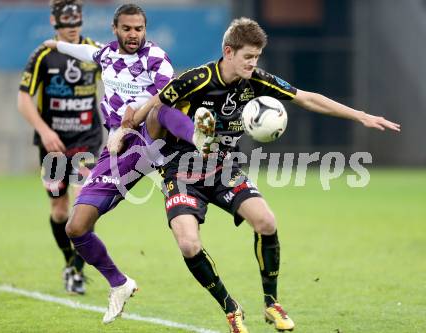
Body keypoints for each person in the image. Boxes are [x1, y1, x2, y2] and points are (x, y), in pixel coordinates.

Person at [125, 17, 401, 333]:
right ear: (228, 52)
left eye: (257, 57)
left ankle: (272, 304)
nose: (253, 64)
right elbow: (158, 107)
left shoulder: (255, 80)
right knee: (188, 244)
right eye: (248, 57)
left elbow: (307, 98)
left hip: (222, 168)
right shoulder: (196, 80)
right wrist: (130, 130)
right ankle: (230, 307)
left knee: (266, 221)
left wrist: (359, 115)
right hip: (181, 172)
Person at [43, 3, 214, 324]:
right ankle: (119, 284)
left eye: (138, 28)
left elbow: (166, 94)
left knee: (157, 110)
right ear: (115, 29)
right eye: (127, 29)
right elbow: (84, 52)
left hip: (153, 138)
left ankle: (201, 139)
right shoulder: (106, 54)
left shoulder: (155, 57)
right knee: (76, 227)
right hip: (120, 150)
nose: (133, 34)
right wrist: (55, 45)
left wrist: (125, 126)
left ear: (145, 29)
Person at [17, 0, 104, 295]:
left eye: (76, 23)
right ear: (55, 23)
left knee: (83, 201)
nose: (72, 29)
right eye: (66, 24)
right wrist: (44, 130)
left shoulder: (94, 50)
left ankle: (78, 271)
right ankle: (70, 262)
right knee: (59, 209)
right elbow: (24, 99)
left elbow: (118, 81)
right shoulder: (43, 55)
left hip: (87, 139)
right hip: (53, 144)